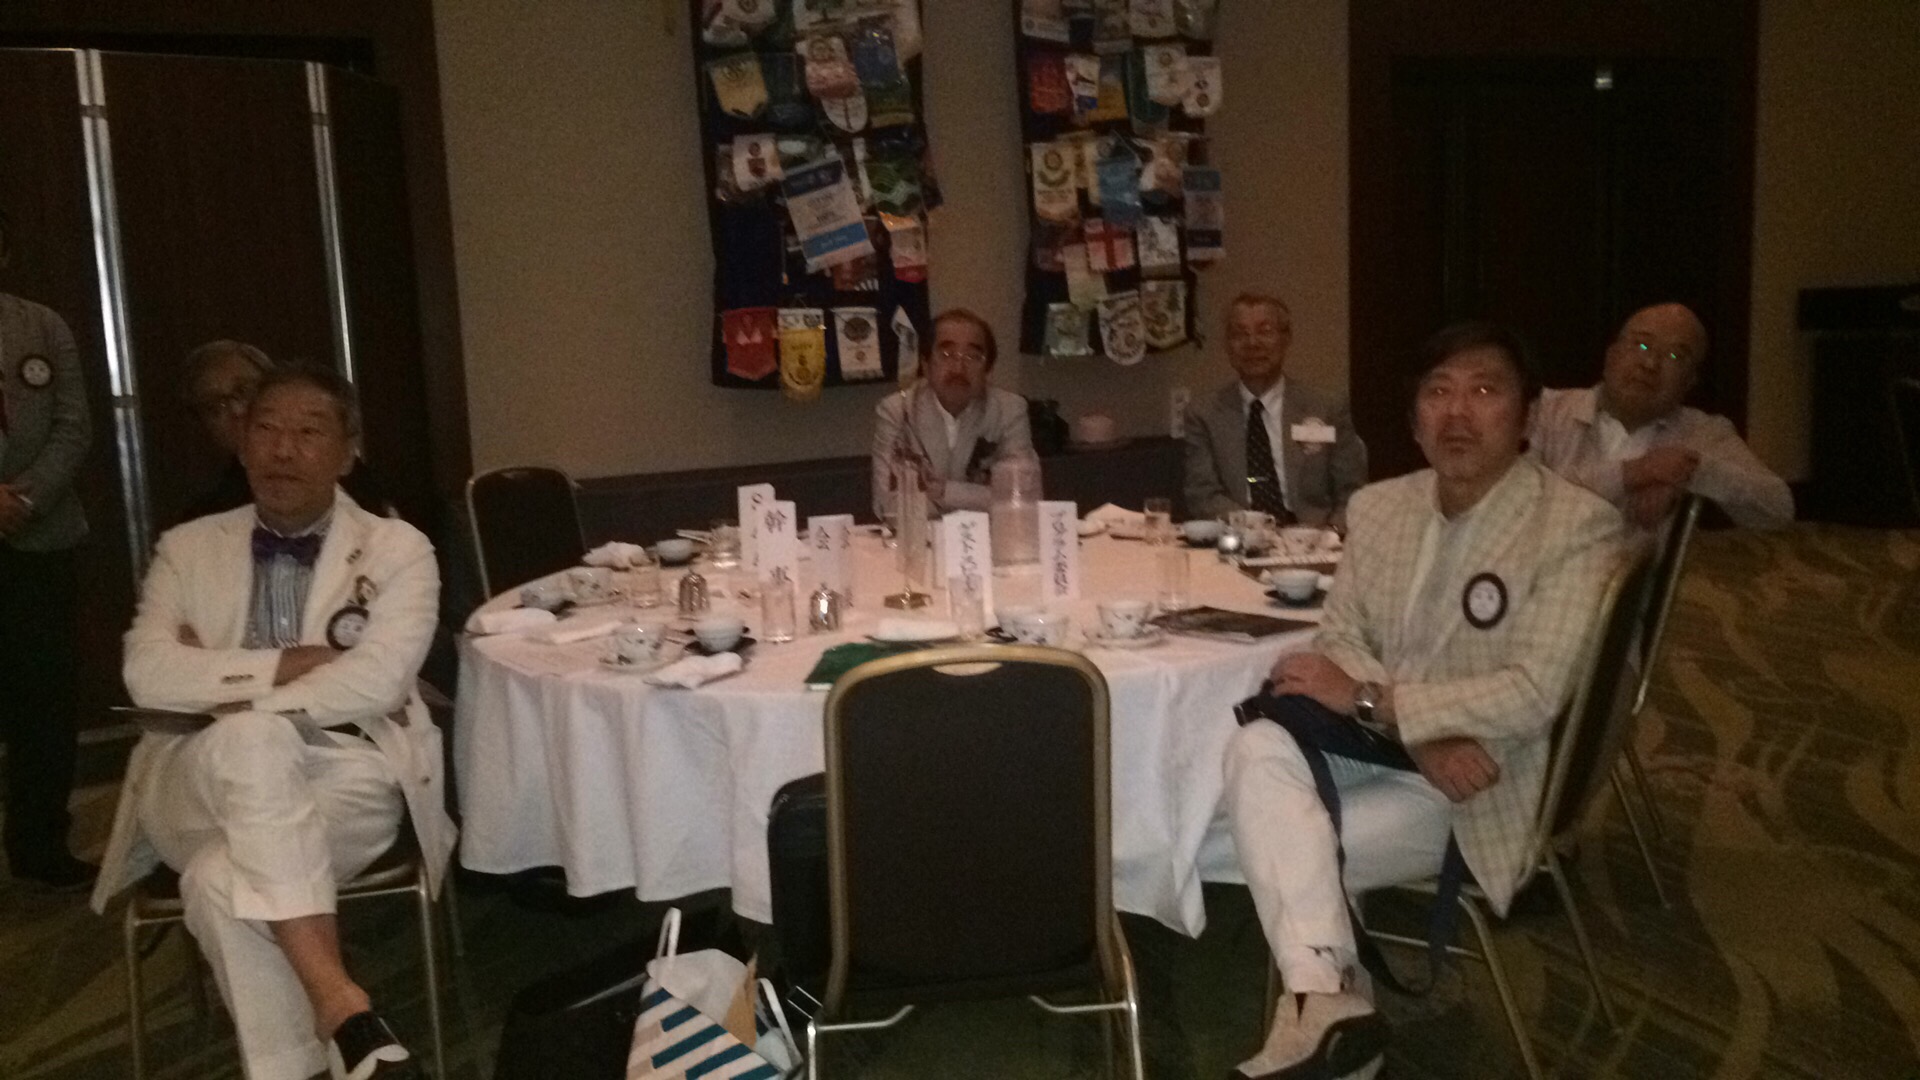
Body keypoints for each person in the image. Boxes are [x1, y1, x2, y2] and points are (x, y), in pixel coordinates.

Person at [1224, 322, 1622, 1079]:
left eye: (1485, 389)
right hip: (1405, 749)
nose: (1458, 412)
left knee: (1225, 842)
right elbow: (1339, 637)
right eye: (1438, 392)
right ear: (1413, 421)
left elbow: (1533, 692)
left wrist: (1377, 702)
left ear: (1528, 417)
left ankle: (1326, 1006)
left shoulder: (1576, 527)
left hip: (1487, 778)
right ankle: (1328, 1004)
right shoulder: (1379, 508)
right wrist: (1411, 728)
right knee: (1256, 748)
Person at [92, 363, 455, 1080]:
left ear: (348, 452)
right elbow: (147, 674)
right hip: (190, 777)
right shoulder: (187, 547)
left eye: (309, 432)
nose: (283, 449)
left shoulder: (398, 548)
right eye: (266, 429)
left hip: (346, 770)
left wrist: (221, 689)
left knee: (217, 881)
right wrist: (289, 665)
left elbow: (379, 681)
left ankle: (320, 1057)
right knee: (250, 740)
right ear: (243, 443)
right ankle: (339, 1000)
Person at [0, 209, 96, 890]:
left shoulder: (42, 326)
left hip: (44, 538)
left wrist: (24, 500)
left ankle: (40, 848)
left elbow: (73, 425)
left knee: (45, 701)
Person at [1530, 302, 1793, 530]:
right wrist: (1635, 473)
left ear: (1690, 381)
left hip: (1645, 574)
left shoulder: (1704, 432)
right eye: (1641, 344)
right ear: (1612, 355)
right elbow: (1525, 503)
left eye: (1675, 355)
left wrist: (1690, 472)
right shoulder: (1545, 411)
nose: (1650, 364)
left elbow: (1779, 510)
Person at [1184, 294, 1367, 528]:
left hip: (1314, 535)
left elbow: (1352, 491)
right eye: (1240, 334)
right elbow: (1202, 495)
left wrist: (1331, 534)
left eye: (1265, 331)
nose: (1252, 343)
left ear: (1286, 338)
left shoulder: (1325, 407)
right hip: (1240, 533)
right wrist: (1253, 527)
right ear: (1227, 345)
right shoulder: (1204, 414)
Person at [179, 339, 390, 524]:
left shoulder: (345, 470)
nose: (237, 410)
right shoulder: (203, 520)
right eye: (215, 406)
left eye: (244, 390)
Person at [870, 308, 1033, 519]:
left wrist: (945, 492)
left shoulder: (1009, 410)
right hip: (921, 537)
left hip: (989, 537)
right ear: (926, 365)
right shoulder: (897, 411)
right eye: (946, 354)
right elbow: (886, 505)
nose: (958, 368)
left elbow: (1023, 497)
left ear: (988, 371)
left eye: (973, 356)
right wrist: (979, 498)